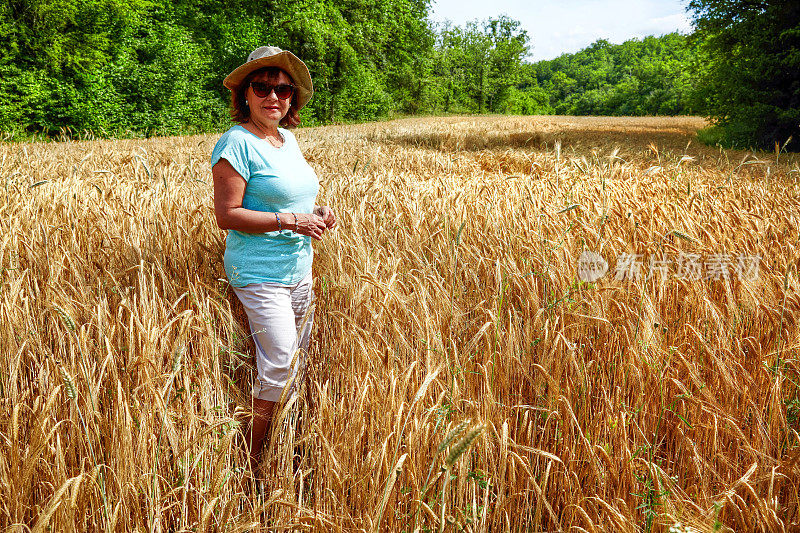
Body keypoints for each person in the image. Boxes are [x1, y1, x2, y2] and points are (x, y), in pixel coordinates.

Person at [211, 46, 336, 469]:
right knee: (281, 362)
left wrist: (317, 214)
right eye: (262, 87)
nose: (274, 97)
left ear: (292, 98)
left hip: (299, 269)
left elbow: (297, 197)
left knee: (294, 364)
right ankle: (252, 460)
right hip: (259, 272)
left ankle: (286, 445)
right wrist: (290, 221)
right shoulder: (237, 142)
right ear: (245, 94)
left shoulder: (288, 140)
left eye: (283, 89)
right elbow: (227, 215)